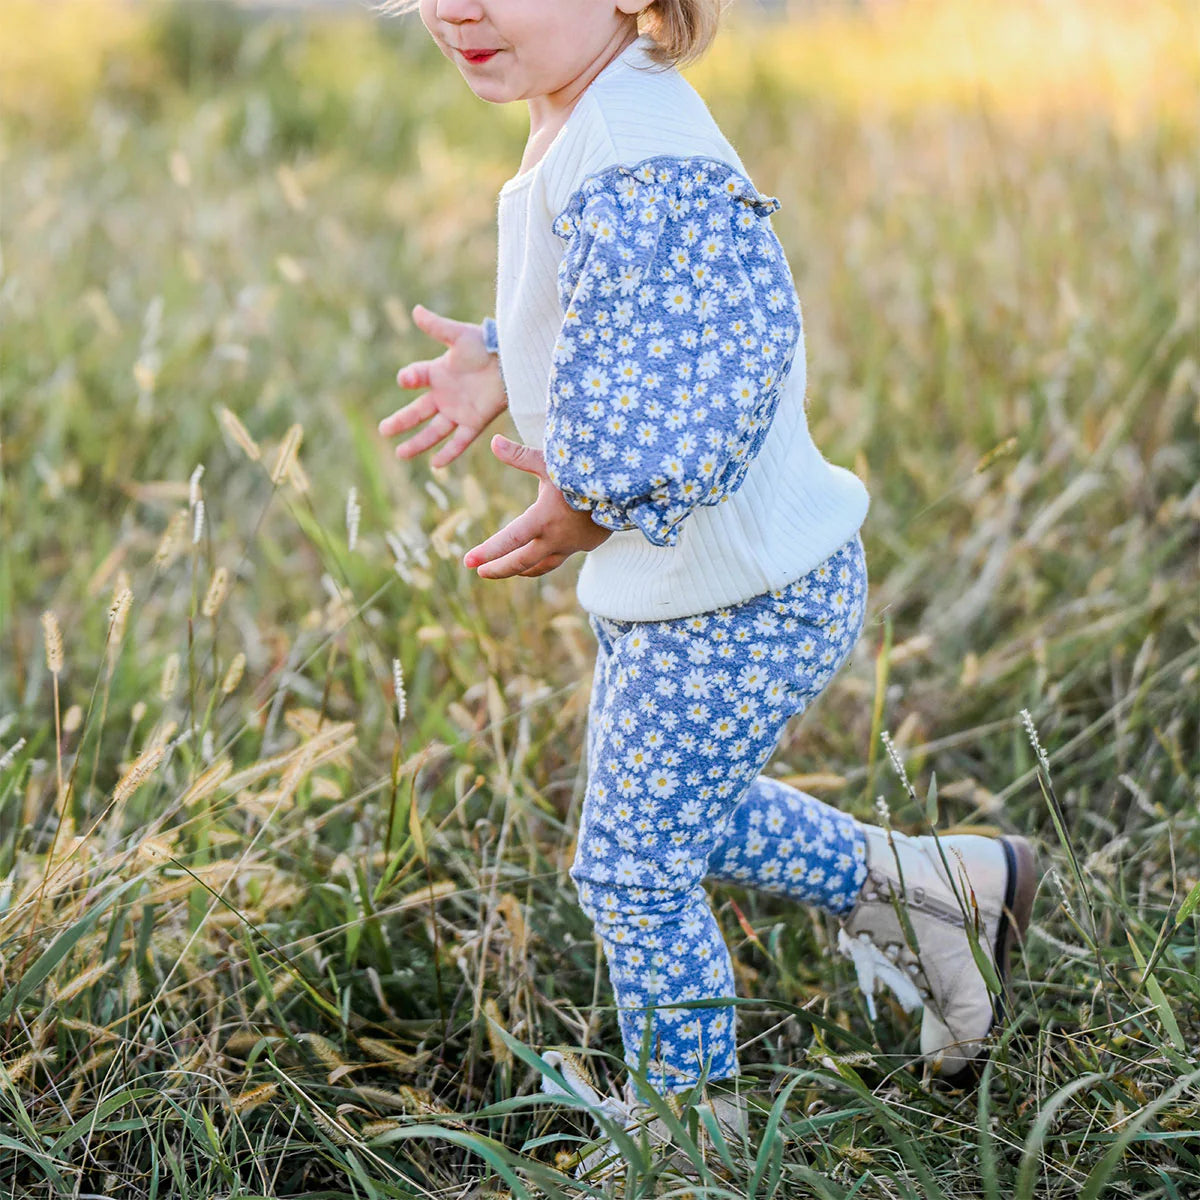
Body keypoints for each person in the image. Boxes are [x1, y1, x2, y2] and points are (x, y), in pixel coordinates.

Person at [377, 0, 1036, 1174]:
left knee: (633, 864)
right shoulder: (586, 113)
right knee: (673, 811)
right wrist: (497, 354)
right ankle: (940, 888)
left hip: (739, 599)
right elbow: (618, 317)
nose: (456, 8)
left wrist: (589, 497)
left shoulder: (641, 152)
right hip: (706, 586)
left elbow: (705, 383)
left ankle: (692, 1138)